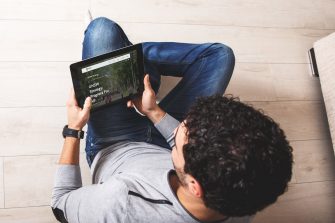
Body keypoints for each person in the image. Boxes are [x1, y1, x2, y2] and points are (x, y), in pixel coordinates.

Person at [51, 17, 293, 223]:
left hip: (115, 146)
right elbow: (186, 141)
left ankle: (137, 65)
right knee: (220, 56)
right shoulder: (241, 203)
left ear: (194, 186)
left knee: (101, 30)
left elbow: (61, 203)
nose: (176, 129)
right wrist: (153, 111)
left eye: (180, 139)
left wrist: (73, 129)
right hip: (156, 130)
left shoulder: (119, 203)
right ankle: (137, 64)